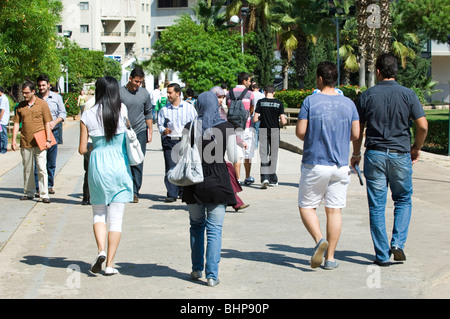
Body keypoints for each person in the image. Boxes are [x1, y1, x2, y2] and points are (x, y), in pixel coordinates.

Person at [351, 53, 428, 266]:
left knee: (376, 205)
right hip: (400, 154)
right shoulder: (409, 95)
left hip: (374, 154)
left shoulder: (367, 96)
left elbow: (357, 130)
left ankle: (382, 255)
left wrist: (356, 154)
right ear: (396, 71)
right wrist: (416, 148)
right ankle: (398, 243)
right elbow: (422, 125)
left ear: (377, 72)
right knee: (402, 199)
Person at [296, 62, 360, 270]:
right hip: (340, 165)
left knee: (307, 206)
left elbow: (300, 132)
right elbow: (356, 135)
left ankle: (319, 239)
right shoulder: (349, 104)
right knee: (334, 212)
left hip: (315, 163)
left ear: (320, 79)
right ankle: (330, 257)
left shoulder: (310, 101)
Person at [182, 91, 239, 286]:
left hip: (193, 184)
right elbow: (234, 157)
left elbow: (182, 154)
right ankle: (212, 276)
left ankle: (197, 269)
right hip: (218, 183)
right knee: (214, 230)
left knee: (196, 226)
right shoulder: (226, 127)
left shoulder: (189, 127)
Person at [79, 76, 133, 275]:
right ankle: (110, 264)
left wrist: (96, 147)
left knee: (99, 213)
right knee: (116, 219)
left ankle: (100, 250)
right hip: (119, 164)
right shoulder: (122, 110)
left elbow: (82, 148)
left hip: (97, 165)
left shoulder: (87, 114)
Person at [12, 81, 53, 203]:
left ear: (33, 92)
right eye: (23, 93)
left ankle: (44, 194)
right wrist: (14, 140)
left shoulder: (42, 104)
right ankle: (28, 192)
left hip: (40, 142)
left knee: (41, 168)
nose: (24, 95)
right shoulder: (20, 106)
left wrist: (48, 139)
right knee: (28, 168)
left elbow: (47, 123)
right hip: (25, 141)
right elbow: (15, 123)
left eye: (27, 93)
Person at [211, 86, 249, 212]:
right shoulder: (208, 110)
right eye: (218, 97)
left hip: (218, 147)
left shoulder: (220, 109)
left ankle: (234, 201)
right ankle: (235, 201)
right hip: (208, 147)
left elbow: (227, 129)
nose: (221, 100)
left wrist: (238, 140)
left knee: (226, 171)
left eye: (222, 97)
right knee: (225, 172)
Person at [158, 83, 197, 202]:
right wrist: (163, 130)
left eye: (170, 93)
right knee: (171, 167)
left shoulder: (189, 108)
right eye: (167, 93)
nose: (168, 95)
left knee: (184, 166)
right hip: (170, 141)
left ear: (178, 93)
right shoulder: (164, 110)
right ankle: (172, 193)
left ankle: (183, 192)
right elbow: (160, 124)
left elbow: (195, 122)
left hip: (184, 140)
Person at [119, 67, 153, 203]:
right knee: (124, 161)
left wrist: (149, 131)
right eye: (136, 81)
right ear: (130, 79)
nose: (138, 85)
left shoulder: (144, 94)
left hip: (140, 131)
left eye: (140, 82)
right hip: (122, 131)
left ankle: (134, 191)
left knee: (138, 161)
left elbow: (148, 113)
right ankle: (124, 189)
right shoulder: (120, 92)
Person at [34, 74, 66, 196]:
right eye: (39, 85)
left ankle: (49, 185)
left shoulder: (56, 97)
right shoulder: (35, 98)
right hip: (39, 133)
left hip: (53, 132)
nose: (41, 87)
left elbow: (62, 113)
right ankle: (39, 187)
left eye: (43, 85)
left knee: (51, 161)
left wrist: (54, 123)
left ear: (48, 85)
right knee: (38, 161)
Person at [253, 85, 287, 188]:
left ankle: (265, 178)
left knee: (264, 154)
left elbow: (255, 119)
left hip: (263, 130)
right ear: (274, 93)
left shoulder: (260, 102)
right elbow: (284, 121)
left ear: (265, 92)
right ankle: (273, 179)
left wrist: (261, 117)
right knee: (274, 155)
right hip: (275, 131)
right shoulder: (279, 103)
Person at [226, 72, 256, 185]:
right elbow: (251, 109)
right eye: (249, 80)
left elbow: (228, 107)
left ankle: (237, 179)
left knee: (236, 153)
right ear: (244, 81)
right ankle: (247, 177)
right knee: (247, 153)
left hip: (233, 127)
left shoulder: (229, 93)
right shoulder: (250, 94)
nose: (250, 83)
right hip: (246, 126)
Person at [0, 86, 10, 154]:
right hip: (2, 120)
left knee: (3, 134)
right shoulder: (2, 98)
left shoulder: (3, 99)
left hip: (2, 120)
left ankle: (4, 147)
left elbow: (2, 110)